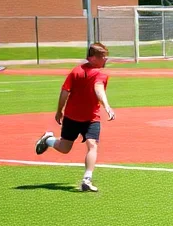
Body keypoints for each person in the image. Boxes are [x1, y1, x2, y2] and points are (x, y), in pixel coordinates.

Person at [33, 43, 116, 193]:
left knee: (92, 145)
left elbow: (95, 89)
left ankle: (87, 179)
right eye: (102, 56)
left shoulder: (90, 72)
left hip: (91, 118)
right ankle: (48, 140)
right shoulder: (82, 72)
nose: (106, 59)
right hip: (72, 117)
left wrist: (105, 106)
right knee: (65, 148)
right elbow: (68, 91)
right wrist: (59, 110)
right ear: (91, 58)